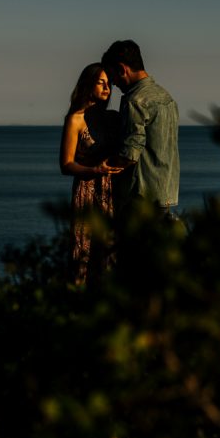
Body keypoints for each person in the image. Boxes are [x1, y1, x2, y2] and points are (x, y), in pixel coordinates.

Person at [98, 40, 180, 220]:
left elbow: (129, 154)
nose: (114, 85)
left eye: (113, 78)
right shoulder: (166, 98)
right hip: (165, 192)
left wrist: (100, 165)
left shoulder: (135, 100)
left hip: (139, 195)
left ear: (122, 69)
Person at [60, 62, 123, 285]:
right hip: (87, 189)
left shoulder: (113, 118)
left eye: (110, 84)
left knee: (110, 253)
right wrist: (94, 170)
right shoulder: (75, 119)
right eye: (101, 83)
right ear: (88, 85)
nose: (107, 88)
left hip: (113, 191)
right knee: (83, 253)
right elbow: (66, 164)